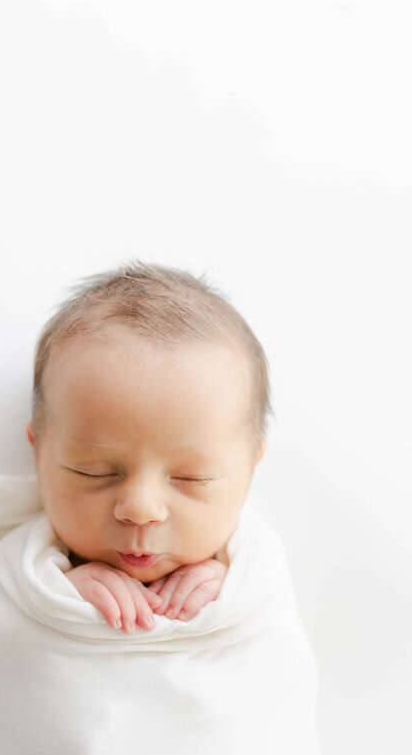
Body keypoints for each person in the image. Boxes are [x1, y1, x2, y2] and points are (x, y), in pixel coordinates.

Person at [26, 260, 270, 632]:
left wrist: (231, 596)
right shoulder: (23, 571)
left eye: (194, 477)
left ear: (252, 467)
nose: (140, 510)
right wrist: (57, 596)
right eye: (93, 471)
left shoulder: (255, 571)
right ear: (37, 453)